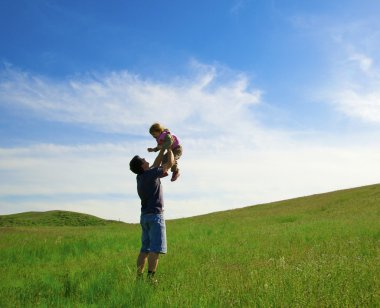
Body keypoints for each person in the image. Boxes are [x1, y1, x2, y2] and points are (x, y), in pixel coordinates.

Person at [129, 147, 174, 283]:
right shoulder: (150, 174)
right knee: (155, 250)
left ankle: (139, 278)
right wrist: (170, 148)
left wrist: (161, 150)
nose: (144, 159)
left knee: (145, 249)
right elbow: (169, 164)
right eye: (142, 160)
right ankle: (150, 279)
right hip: (155, 216)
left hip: (145, 217)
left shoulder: (140, 177)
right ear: (142, 165)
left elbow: (155, 164)